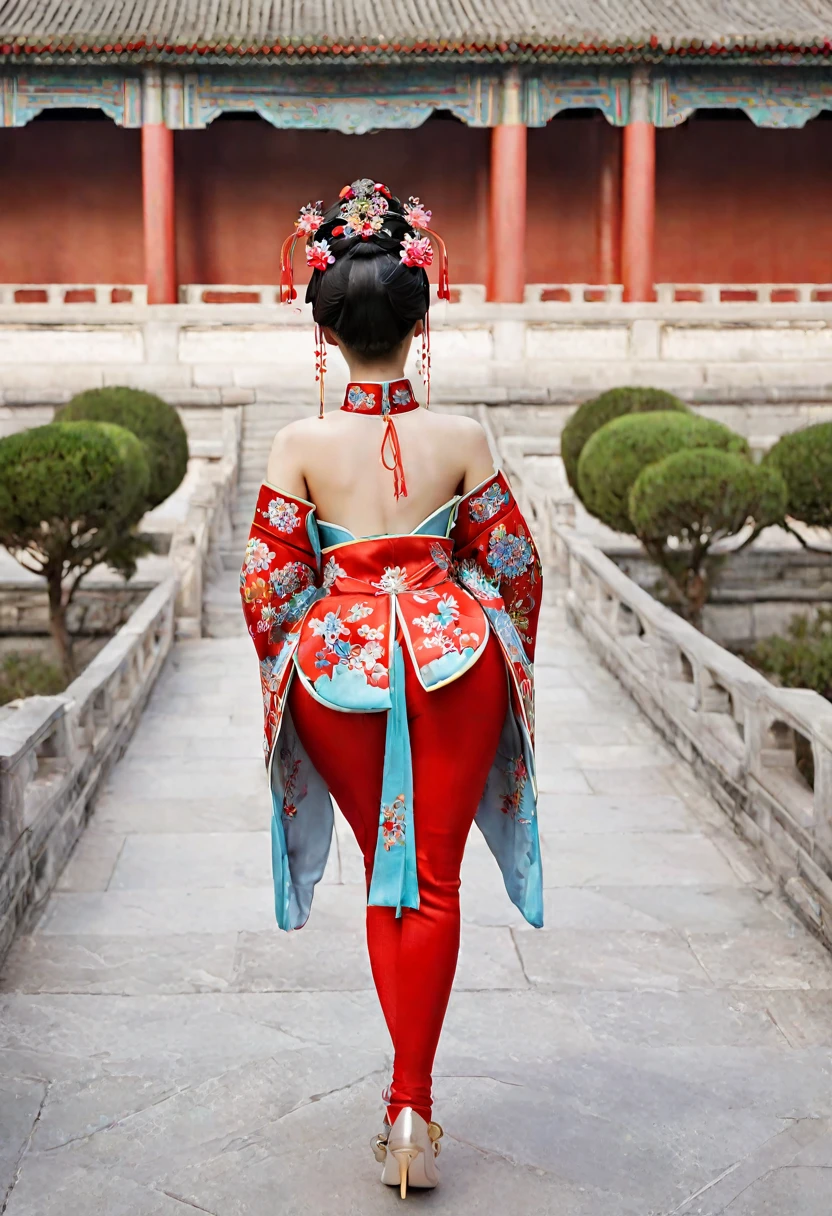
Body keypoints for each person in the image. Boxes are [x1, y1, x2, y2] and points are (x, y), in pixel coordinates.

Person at [240, 178, 543, 1197]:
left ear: (323, 328)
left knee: (386, 872)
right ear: (420, 322)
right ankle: (411, 1102)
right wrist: (503, 650)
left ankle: (403, 1101)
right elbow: (516, 565)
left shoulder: (298, 444)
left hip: (340, 675)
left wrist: (291, 665)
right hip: (454, 663)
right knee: (439, 880)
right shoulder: (460, 437)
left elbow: (267, 584)